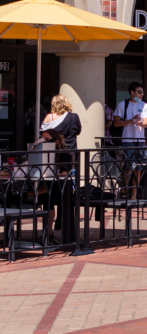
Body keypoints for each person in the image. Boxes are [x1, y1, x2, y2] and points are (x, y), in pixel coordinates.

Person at [39, 95, 82, 240]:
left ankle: (52, 229)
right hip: (70, 153)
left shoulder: (49, 118)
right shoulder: (73, 117)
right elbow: (78, 131)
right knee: (68, 188)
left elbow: (43, 132)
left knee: (52, 190)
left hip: (52, 155)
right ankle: (66, 226)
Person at [112, 82, 147, 199]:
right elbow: (116, 123)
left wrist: (140, 123)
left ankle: (133, 195)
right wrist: (130, 121)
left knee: (138, 168)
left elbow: (146, 123)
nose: (142, 94)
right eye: (139, 92)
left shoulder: (144, 105)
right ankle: (127, 188)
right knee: (128, 167)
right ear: (132, 93)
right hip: (127, 139)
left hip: (140, 140)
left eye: (143, 92)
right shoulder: (122, 105)